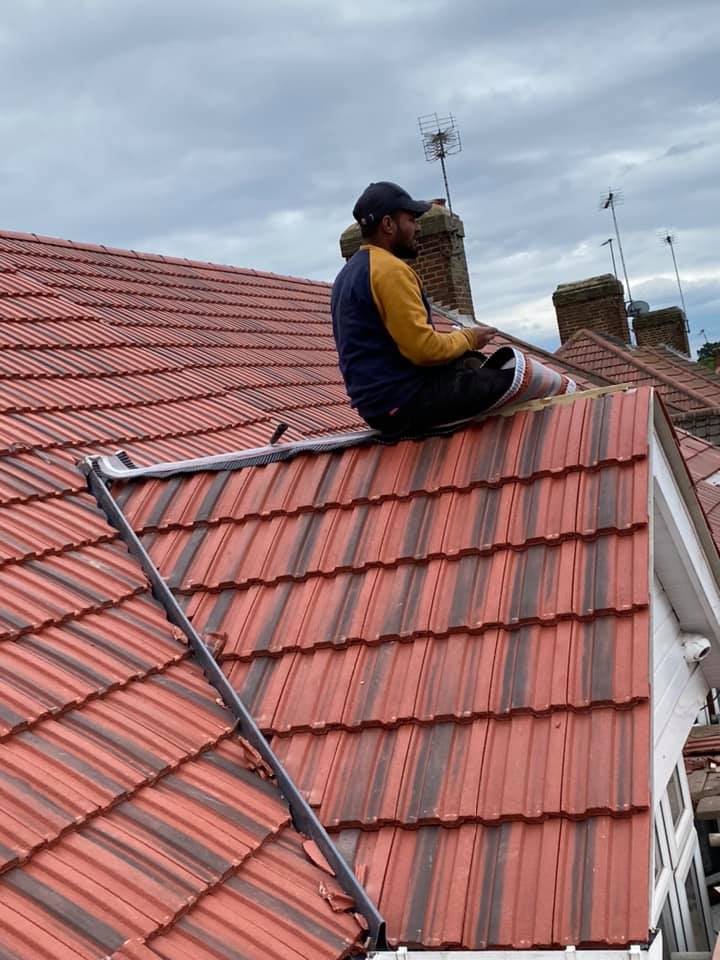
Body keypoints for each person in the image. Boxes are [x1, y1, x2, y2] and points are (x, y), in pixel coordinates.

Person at [331, 181, 514, 435]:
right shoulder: (389, 271)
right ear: (388, 225)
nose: (417, 227)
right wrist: (470, 337)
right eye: (411, 219)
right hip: (404, 402)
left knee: (471, 363)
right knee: (516, 381)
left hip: (378, 406)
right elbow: (424, 351)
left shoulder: (347, 275)